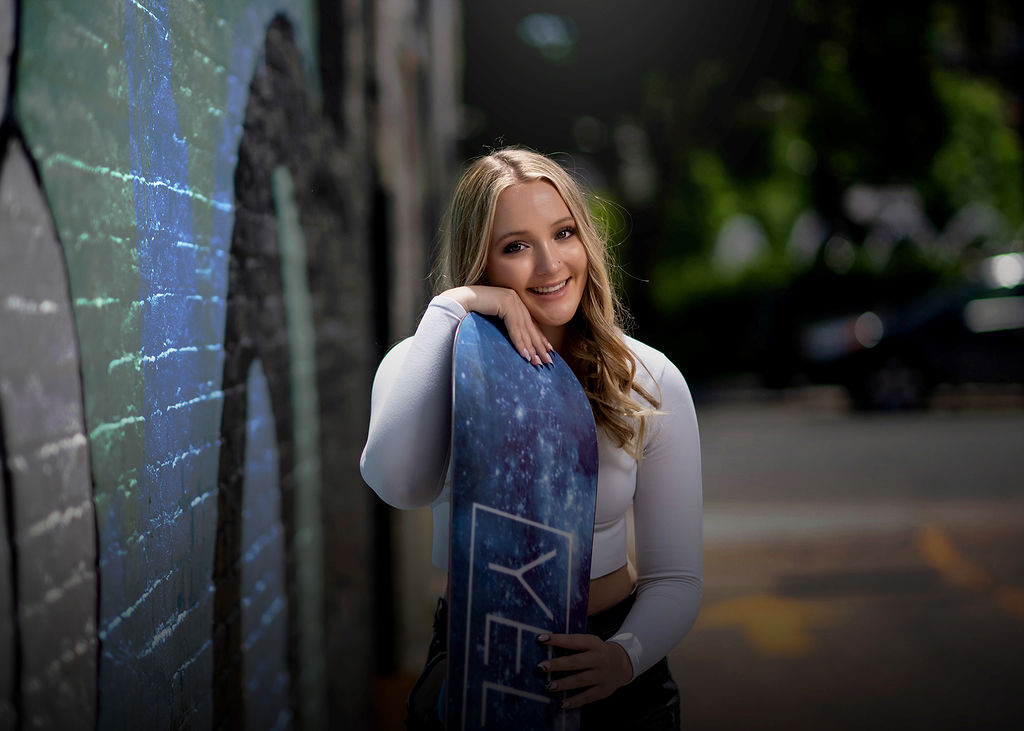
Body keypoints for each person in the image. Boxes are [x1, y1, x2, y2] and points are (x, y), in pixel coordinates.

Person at [360, 147, 702, 729]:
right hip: (477, 660)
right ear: (481, 261)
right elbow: (398, 485)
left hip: (612, 664)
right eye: (515, 246)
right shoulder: (424, 361)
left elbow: (676, 578)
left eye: (563, 233)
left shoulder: (647, 378)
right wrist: (454, 307)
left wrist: (624, 657)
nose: (550, 264)